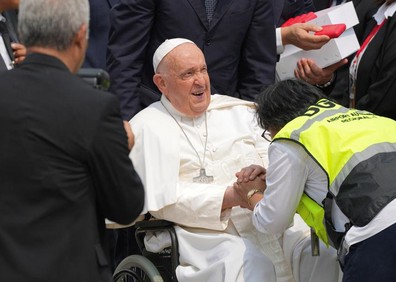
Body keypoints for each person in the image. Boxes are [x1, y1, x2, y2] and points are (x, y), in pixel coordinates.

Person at [128, 38, 341, 282]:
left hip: (267, 214)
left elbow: (282, 156)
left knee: (321, 252)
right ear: (161, 83)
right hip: (204, 233)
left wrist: (265, 175)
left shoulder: (240, 111)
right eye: (188, 74)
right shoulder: (146, 127)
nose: (201, 81)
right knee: (249, 264)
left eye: (203, 70)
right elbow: (160, 199)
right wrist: (231, 197)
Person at [234, 79, 396, 281]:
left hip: (390, 228)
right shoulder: (369, 118)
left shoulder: (291, 135)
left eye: (268, 131)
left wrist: (252, 193)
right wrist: (274, 178)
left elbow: (273, 221)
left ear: (274, 122)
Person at [0, 0, 145, 281]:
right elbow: (126, 208)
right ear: (81, 35)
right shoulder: (95, 107)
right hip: (71, 269)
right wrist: (121, 148)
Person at [106, 0, 276, 121]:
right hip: (157, 112)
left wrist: (250, 121)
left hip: (224, 118)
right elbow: (125, 58)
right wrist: (127, 122)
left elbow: (258, 65)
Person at [295, 0, 396, 129]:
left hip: (382, 135)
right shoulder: (381, 13)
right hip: (361, 126)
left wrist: (344, 121)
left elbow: (387, 91)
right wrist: (326, 80)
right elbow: (355, 79)